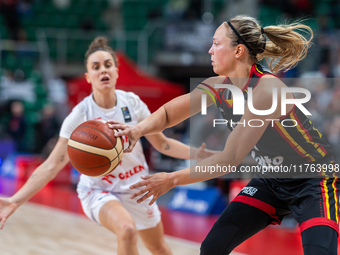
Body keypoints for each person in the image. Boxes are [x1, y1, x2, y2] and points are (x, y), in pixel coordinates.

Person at [108, 15, 339, 255]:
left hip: (313, 178)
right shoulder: (218, 86)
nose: (209, 50)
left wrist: (172, 179)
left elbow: (230, 158)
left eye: (216, 43)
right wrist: (138, 130)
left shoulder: (267, 90)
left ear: (238, 50)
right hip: (271, 178)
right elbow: (168, 114)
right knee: (211, 248)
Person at [0, 37, 214, 255]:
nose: (103, 70)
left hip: (138, 188)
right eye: (96, 67)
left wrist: (196, 152)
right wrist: (14, 201)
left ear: (116, 71)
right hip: (98, 189)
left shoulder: (132, 102)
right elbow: (51, 165)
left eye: (107, 65)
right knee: (127, 230)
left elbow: (163, 144)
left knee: (158, 248)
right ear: (88, 77)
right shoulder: (80, 116)